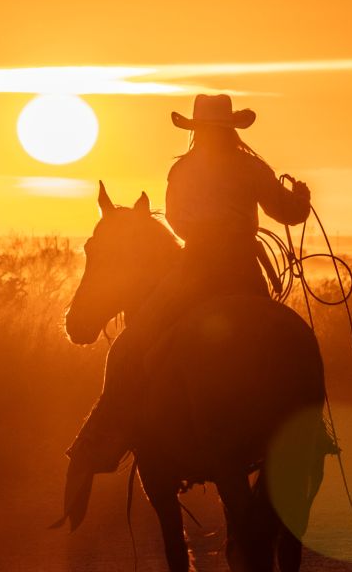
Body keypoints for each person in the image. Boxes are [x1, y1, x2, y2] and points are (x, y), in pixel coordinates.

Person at [67, 93, 311, 481]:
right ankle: (311, 428)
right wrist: (302, 197)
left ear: (196, 131)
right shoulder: (251, 167)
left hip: (195, 270)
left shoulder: (182, 171)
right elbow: (289, 213)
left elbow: (178, 223)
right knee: (280, 339)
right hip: (244, 271)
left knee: (132, 343)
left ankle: (111, 436)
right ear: (231, 129)